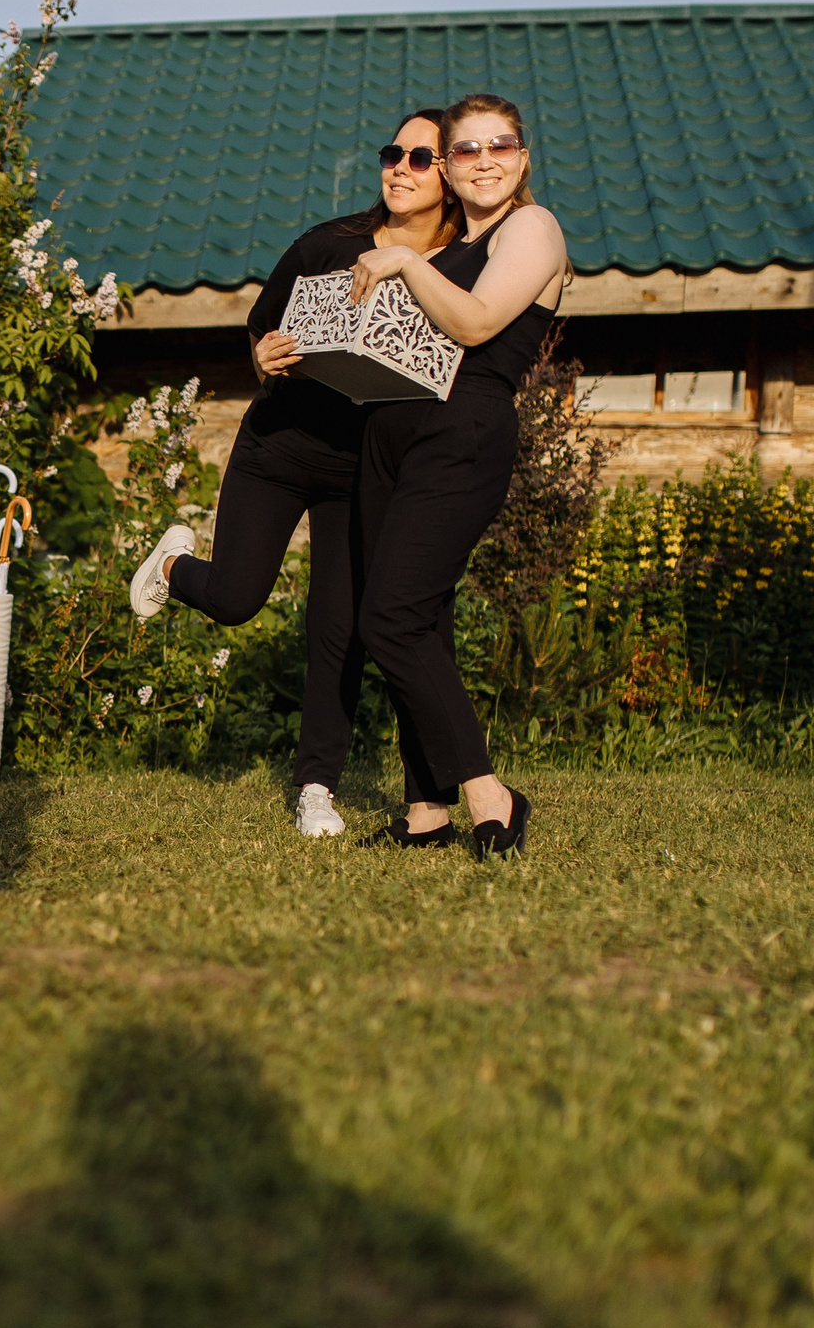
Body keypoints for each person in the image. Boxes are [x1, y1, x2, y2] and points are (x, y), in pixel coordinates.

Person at [129, 109, 460, 840]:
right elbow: (262, 324)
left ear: (450, 175)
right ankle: (175, 565)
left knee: (338, 631)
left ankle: (316, 786)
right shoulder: (327, 243)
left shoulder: (458, 265)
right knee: (236, 599)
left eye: (419, 158)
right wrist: (262, 356)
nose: (399, 169)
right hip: (278, 447)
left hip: (360, 471)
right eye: (393, 154)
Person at [346, 92, 565, 858]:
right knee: (421, 620)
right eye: (466, 149)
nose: (484, 161)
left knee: (390, 620)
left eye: (499, 145)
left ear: (522, 158)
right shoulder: (442, 253)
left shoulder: (531, 228)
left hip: (461, 432)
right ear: (449, 165)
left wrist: (405, 261)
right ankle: (425, 811)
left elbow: (475, 323)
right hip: (392, 438)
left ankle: (488, 793)